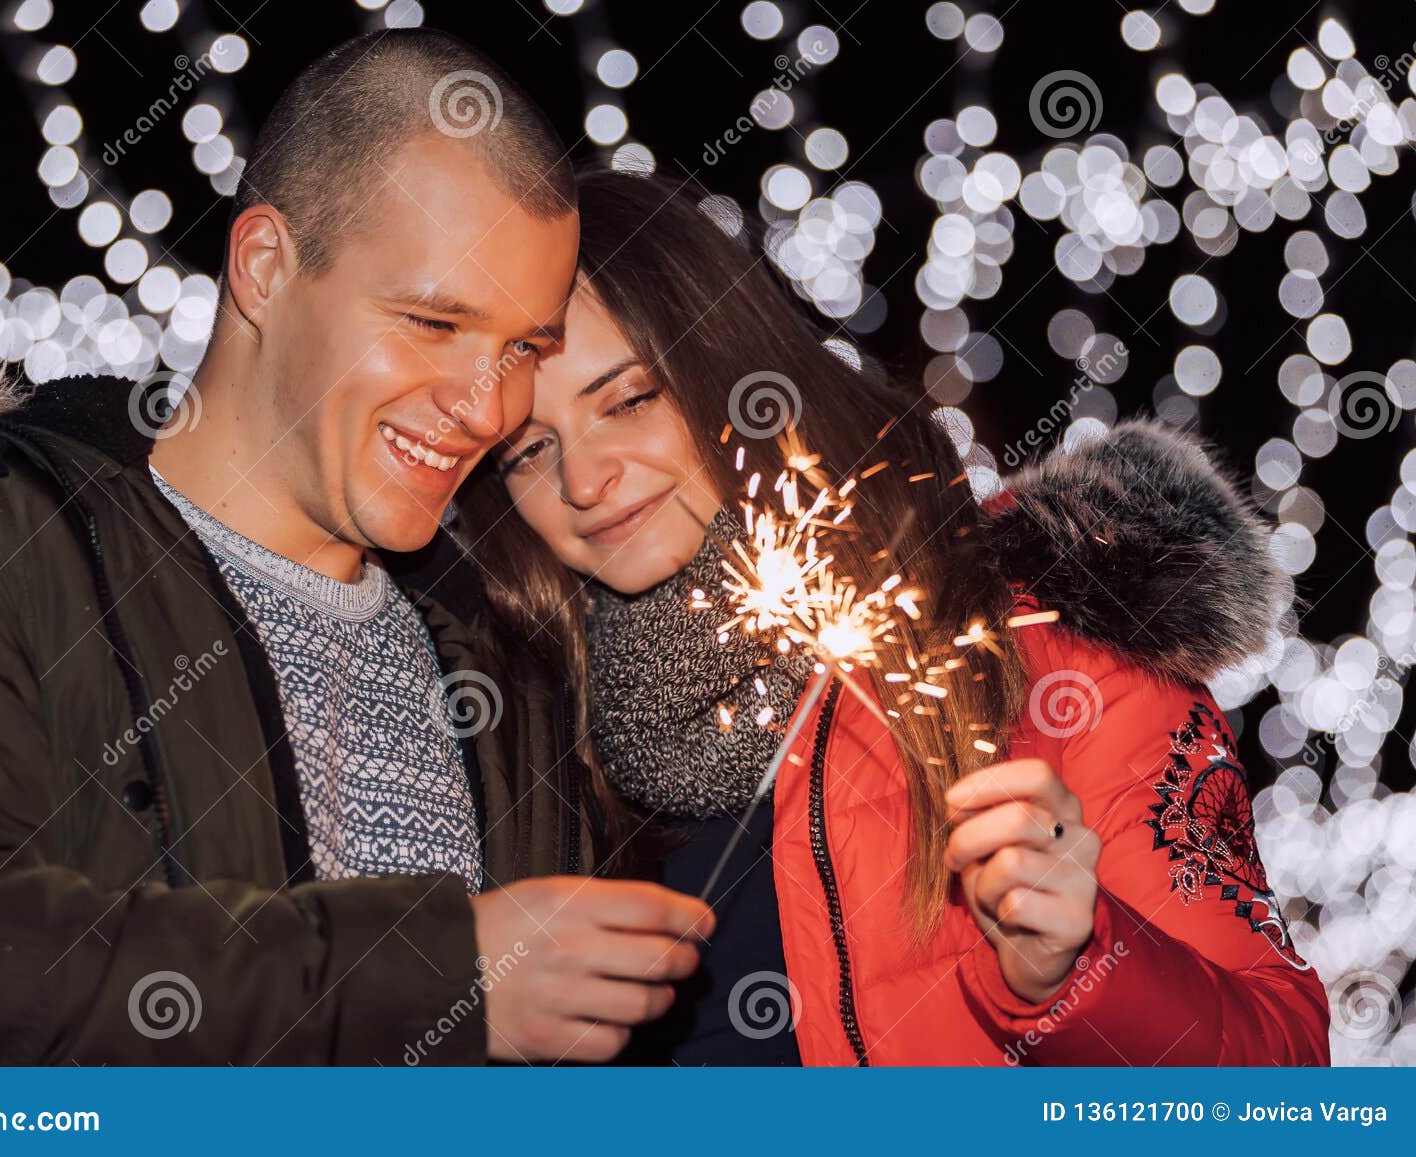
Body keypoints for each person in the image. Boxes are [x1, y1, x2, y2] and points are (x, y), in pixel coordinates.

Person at [0, 31, 711, 1067]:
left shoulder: (506, 663)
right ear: (265, 266)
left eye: (521, 347)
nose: (484, 406)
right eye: (431, 321)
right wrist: (433, 975)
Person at [452, 168, 1331, 1065]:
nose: (584, 479)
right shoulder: (528, 750)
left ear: (730, 368)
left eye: (630, 399)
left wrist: (1080, 966)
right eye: (529, 449)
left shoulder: (1051, 650)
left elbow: (1283, 1080)